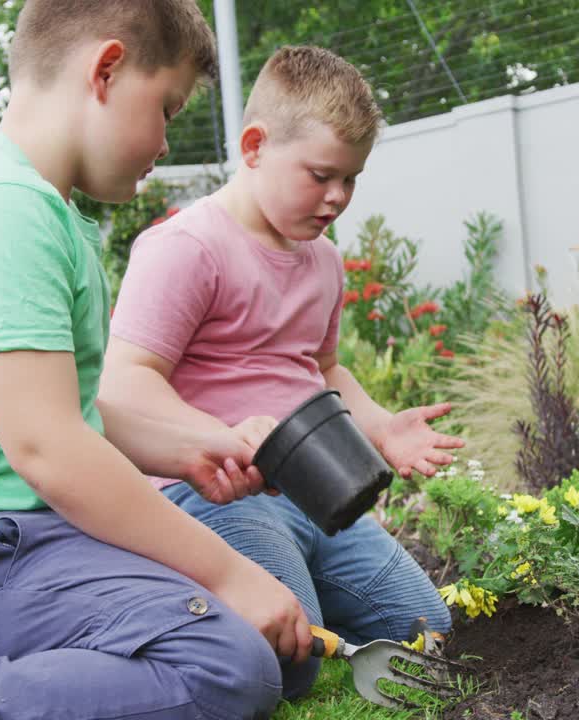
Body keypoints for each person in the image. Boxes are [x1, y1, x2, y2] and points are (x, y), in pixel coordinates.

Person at [0, 3, 311, 719]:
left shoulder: (42, 208)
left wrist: (189, 448)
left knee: (273, 652)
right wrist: (227, 572)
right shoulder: (0, 206)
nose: (166, 141)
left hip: (10, 542)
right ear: (105, 71)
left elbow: (62, 411)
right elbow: (47, 446)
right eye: (166, 108)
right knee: (225, 667)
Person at [100, 45, 462, 698]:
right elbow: (126, 381)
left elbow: (323, 369)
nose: (337, 198)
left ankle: (301, 583)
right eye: (321, 175)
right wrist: (224, 434)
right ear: (256, 145)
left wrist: (381, 427)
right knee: (287, 663)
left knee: (427, 631)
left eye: (351, 179)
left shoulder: (321, 260)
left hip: (321, 494)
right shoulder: (187, 248)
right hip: (220, 498)